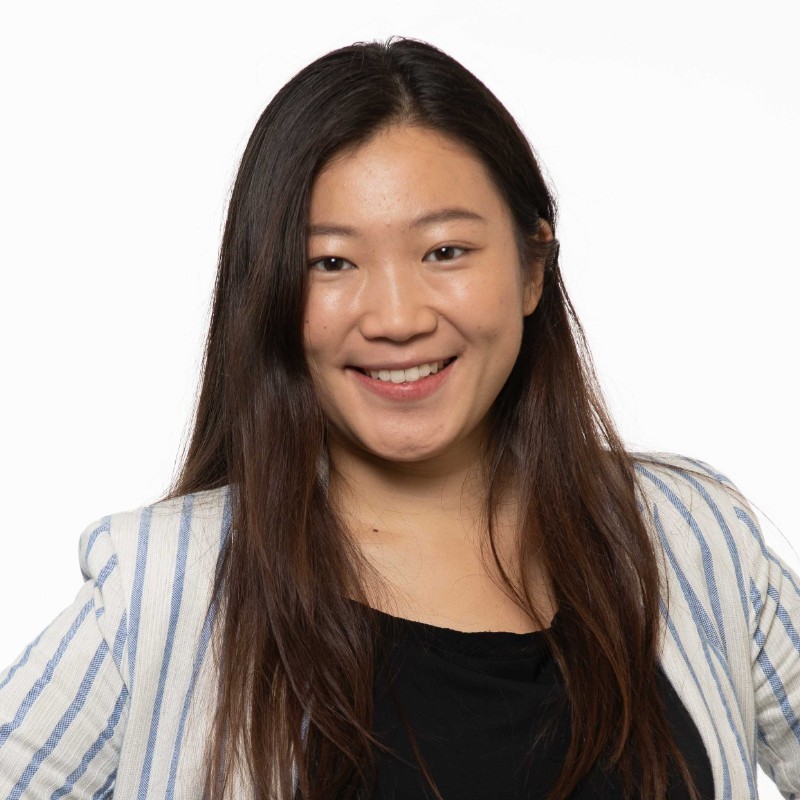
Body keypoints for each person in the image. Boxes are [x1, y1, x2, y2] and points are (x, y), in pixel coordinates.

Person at [0, 36, 797, 800]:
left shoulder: (691, 537)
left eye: (445, 251)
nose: (396, 319)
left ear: (532, 269)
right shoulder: (166, 589)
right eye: (331, 262)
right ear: (272, 292)